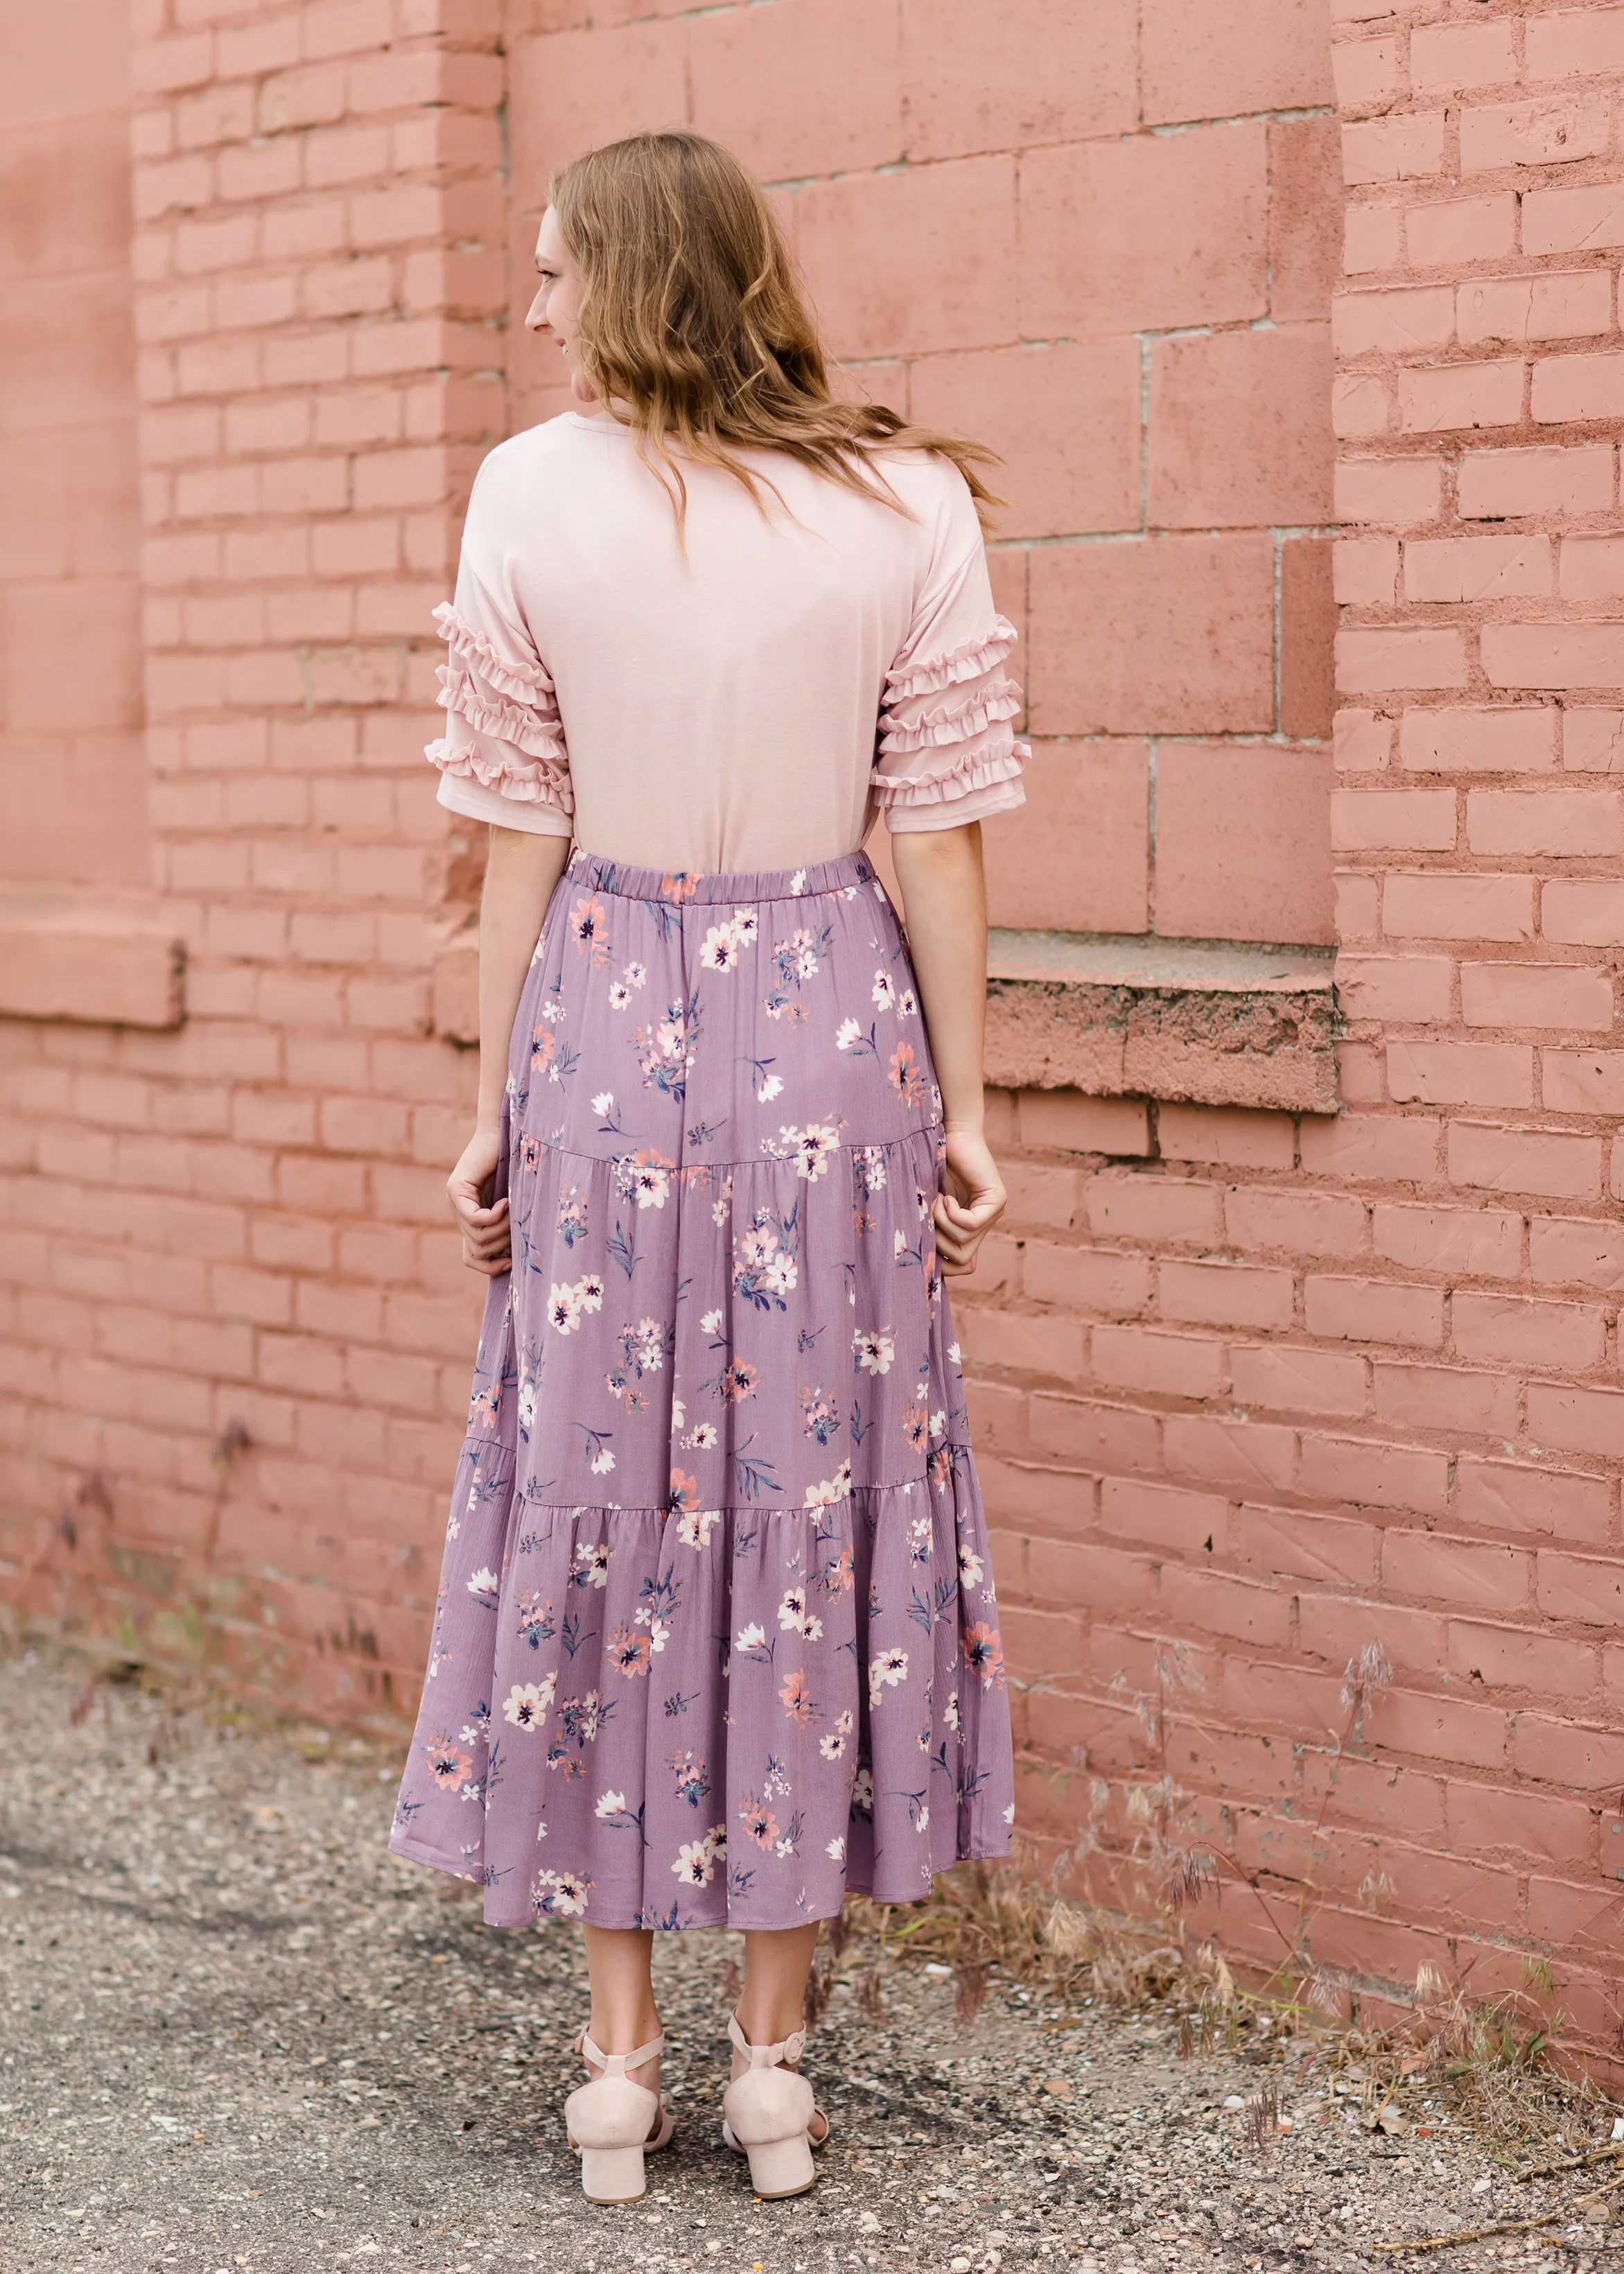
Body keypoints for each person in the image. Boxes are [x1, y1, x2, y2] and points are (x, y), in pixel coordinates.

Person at [389, 130, 1022, 2207]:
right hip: (833, 1031)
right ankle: (769, 2070)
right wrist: (971, 1093)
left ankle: (612, 2061)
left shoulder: (526, 491)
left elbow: (512, 838)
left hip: (603, 1016)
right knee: (804, 1498)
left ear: (638, 277)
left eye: (559, 269)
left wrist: (494, 1094)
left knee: (598, 1488)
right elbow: (936, 834)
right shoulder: (901, 495)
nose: (536, 304)